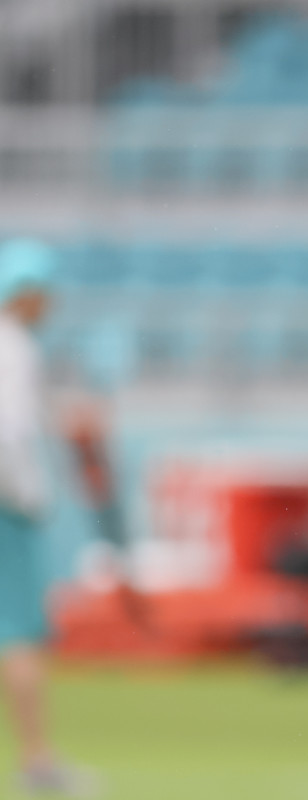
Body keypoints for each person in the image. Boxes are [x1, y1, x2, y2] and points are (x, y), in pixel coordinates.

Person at [0, 238, 95, 797]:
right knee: (22, 633)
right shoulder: (15, 348)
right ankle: (38, 759)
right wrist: (28, 498)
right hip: (9, 513)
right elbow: (9, 435)